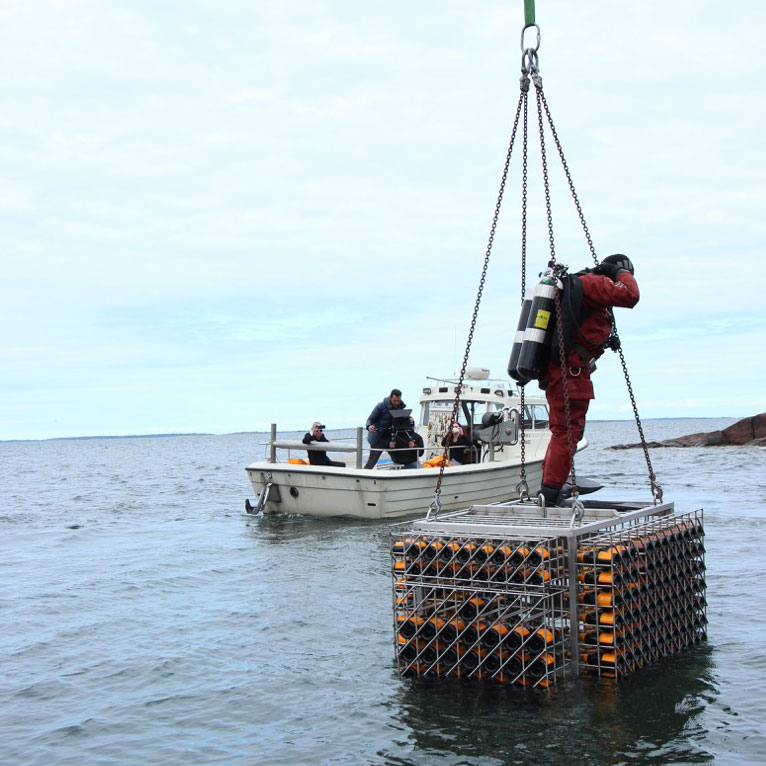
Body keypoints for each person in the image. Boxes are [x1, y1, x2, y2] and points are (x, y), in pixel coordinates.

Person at [539, 254, 640, 505]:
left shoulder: (584, 287)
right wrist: (619, 273)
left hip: (565, 369)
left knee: (564, 431)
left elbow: (582, 331)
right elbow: (631, 295)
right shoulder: (594, 283)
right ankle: (550, 494)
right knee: (567, 432)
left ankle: (550, 488)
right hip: (569, 372)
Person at [364, 388, 406, 469]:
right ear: (390, 398)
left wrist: (409, 419)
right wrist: (369, 426)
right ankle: (362, 477)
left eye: (398, 400)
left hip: (391, 439)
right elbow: (370, 419)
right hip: (378, 438)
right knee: (371, 462)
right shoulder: (381, 406)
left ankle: (399, 477)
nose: (397, 403)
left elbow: (401, 421)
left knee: (398, 460)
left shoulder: (401, 407)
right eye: (395, 401)